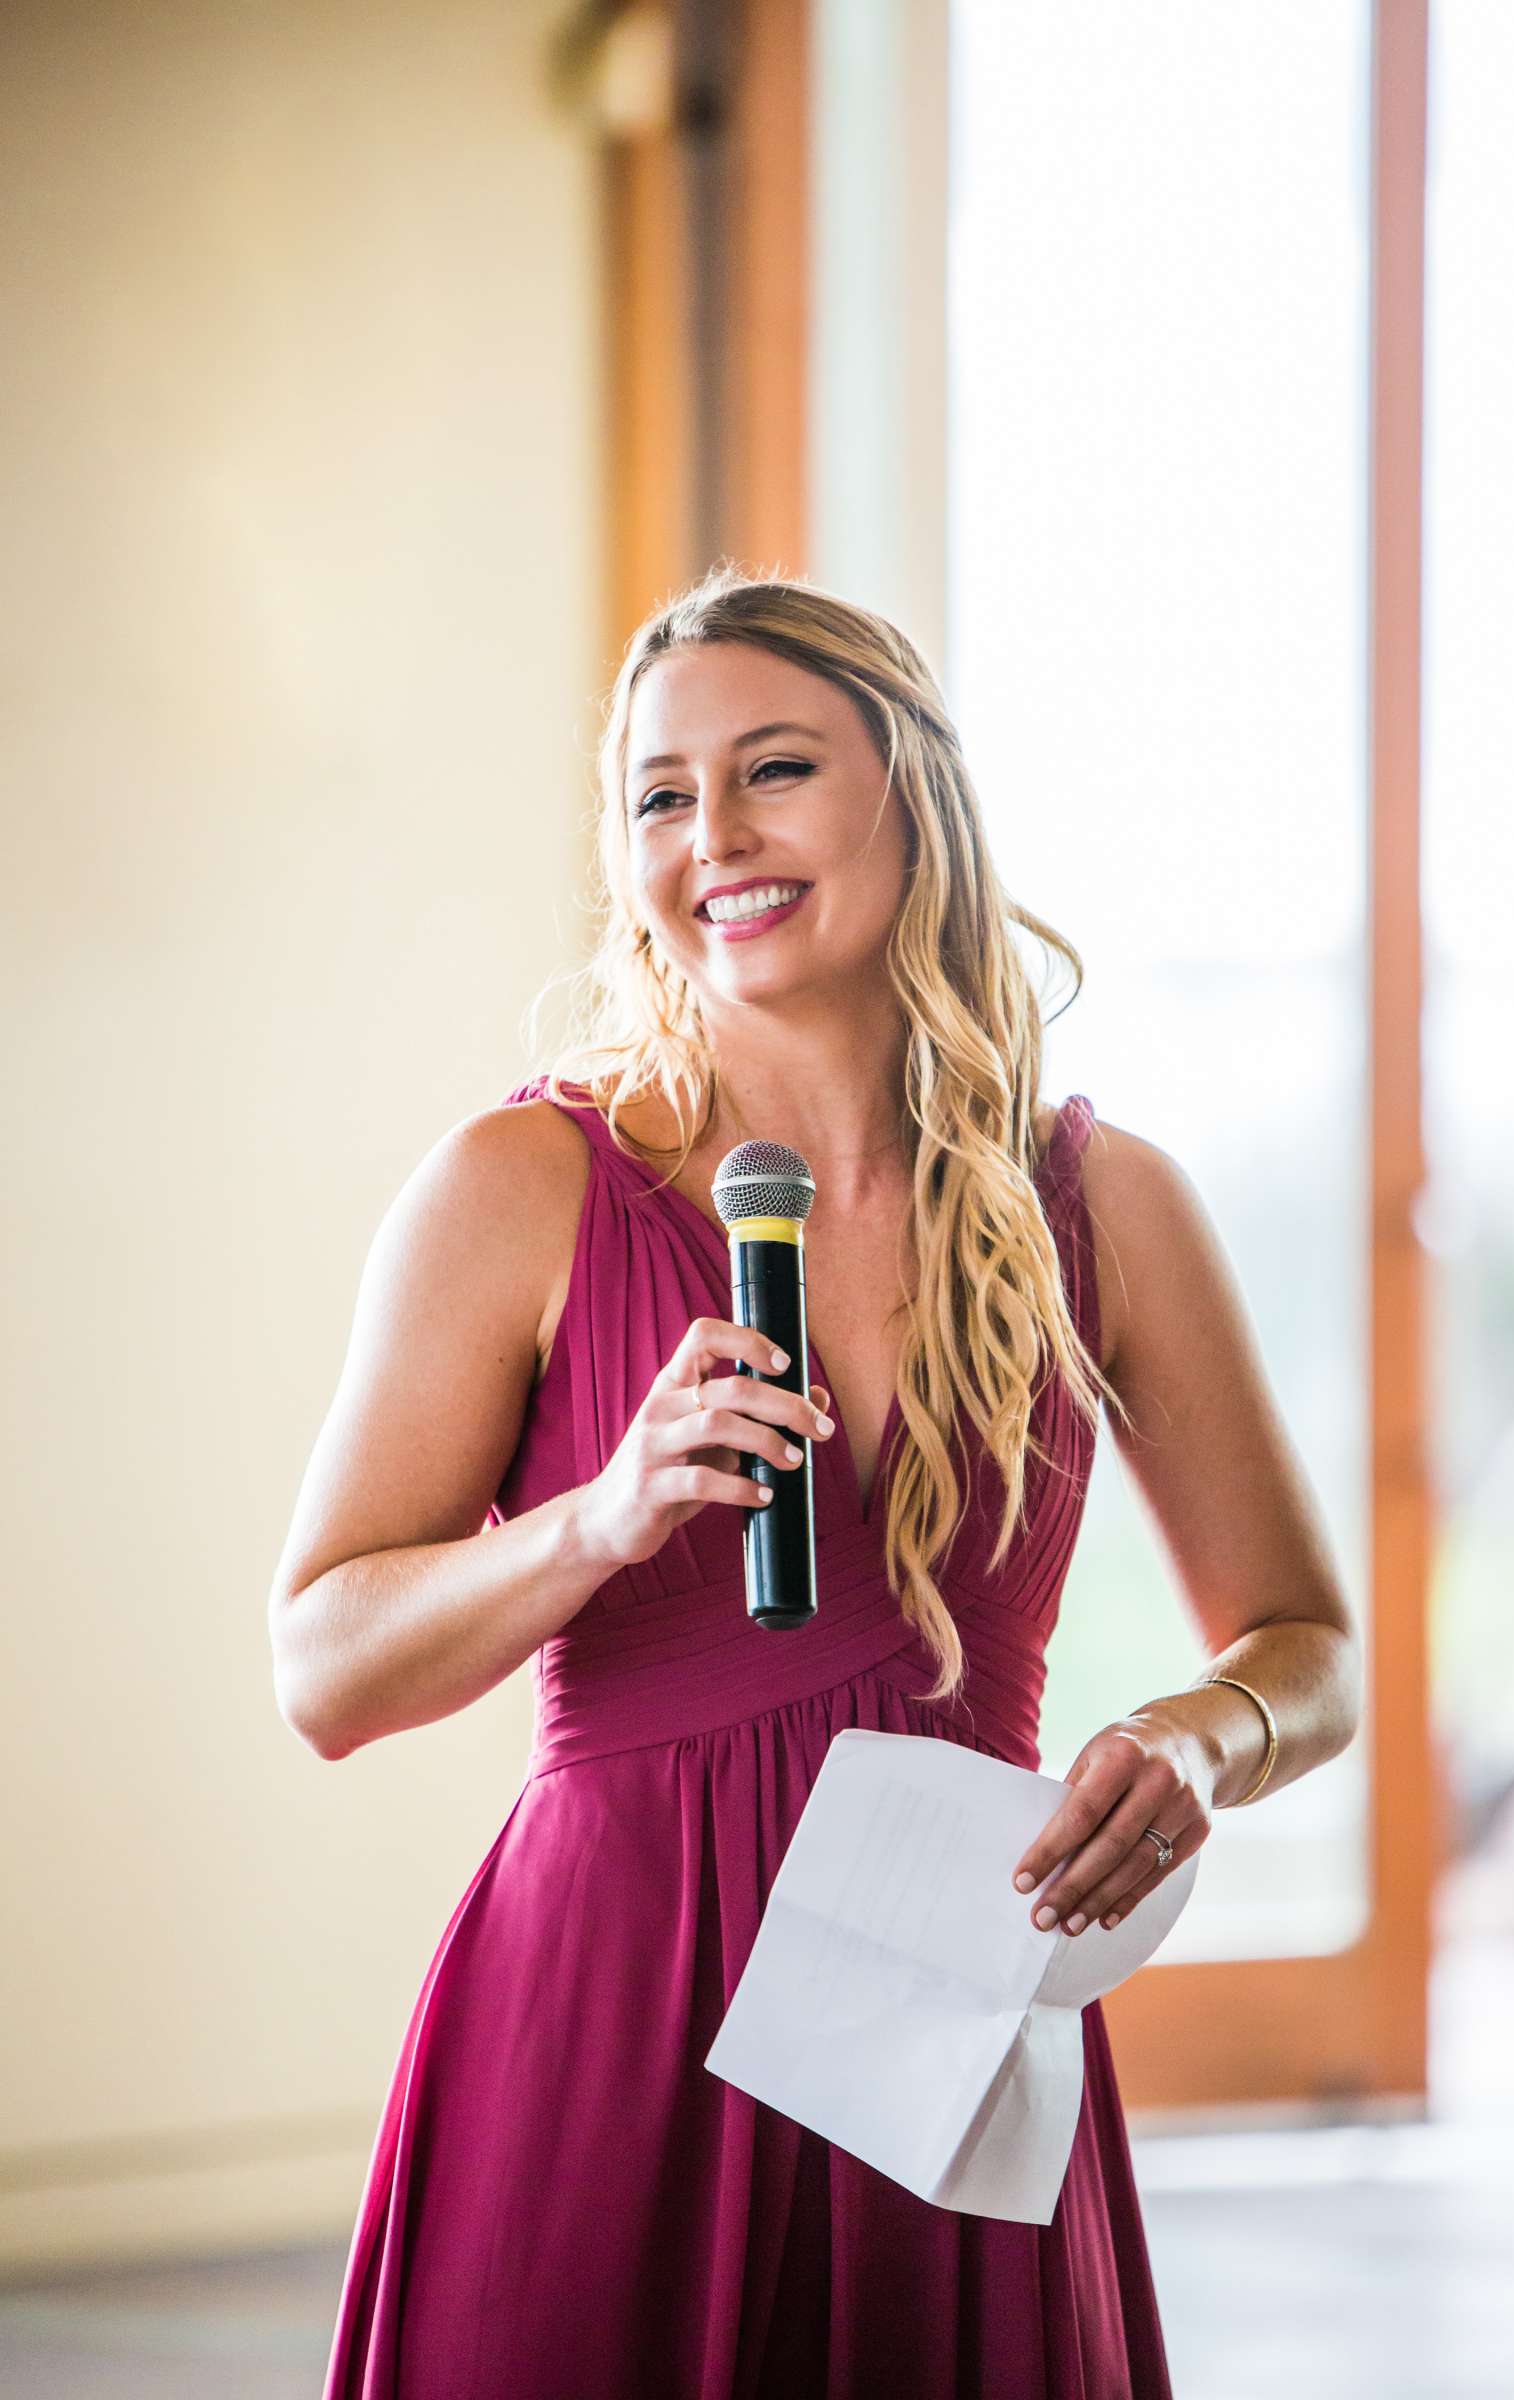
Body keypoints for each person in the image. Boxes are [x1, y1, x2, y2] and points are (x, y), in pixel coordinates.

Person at [272, 568, 1361, 2398]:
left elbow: (1308, 1641)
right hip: (605, 2013)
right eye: (661, 795)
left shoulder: (1110, 1207)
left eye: (774, 769)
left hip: (945, 2019)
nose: (716, 837)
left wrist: (1200, 1740)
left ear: (910, 796)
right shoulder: (519, 1189)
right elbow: (321, 1669)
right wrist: (601, 1519)